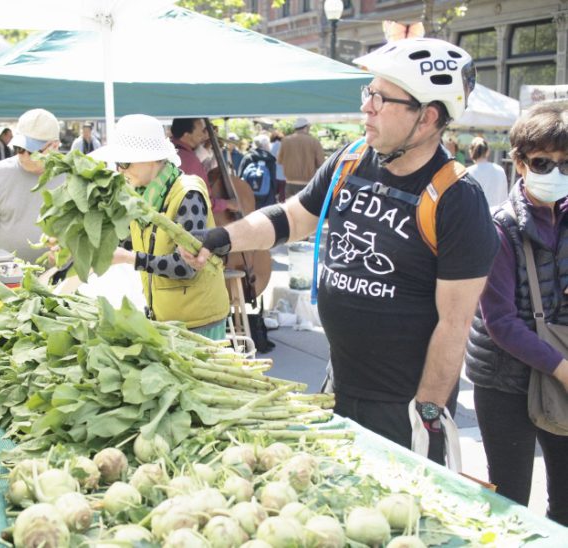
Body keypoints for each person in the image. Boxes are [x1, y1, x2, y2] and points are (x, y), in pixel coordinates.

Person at [183, 38, 499, 465]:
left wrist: (426, 413)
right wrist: (222, 239)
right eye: (368, 92)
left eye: (381, 98)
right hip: (340, 385)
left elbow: (455, 323)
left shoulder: (457, 198)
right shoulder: (351, 159)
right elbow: (292, 218)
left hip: (402, 406)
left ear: (425, 118)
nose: (366, 107)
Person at [465, 102, 568, 525]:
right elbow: (500, 320)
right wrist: (562, 368)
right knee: (508, 499)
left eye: (565, 163)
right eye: (543, 162)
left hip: (558, 371)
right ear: (520, 163)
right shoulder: (498, 226)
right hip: (505, 379)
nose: (555, 172)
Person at [101, 114, 230, 340]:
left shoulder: (187, 194)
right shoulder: (142, 195)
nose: (120, 170)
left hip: (198, 323)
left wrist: (130, 259)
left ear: (151, 159)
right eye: (117, 163)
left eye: (124, 163)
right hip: (166, 319)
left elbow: (188, 266)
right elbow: (128, 241)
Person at [0, 109, 64, 263]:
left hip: (63, 277)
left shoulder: (72, 177)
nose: (23, 155)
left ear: (55, 146)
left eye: (32, 151)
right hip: (9, 277)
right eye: (19, 148)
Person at [171, 118, 237, 214]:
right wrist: (228, 204)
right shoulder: (190, 160)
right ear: (186, 134)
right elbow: (203, 201)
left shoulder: (169, 149)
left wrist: (207, 145)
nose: (204, 135)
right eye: (202, 131)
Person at [277, 117, 325, 199]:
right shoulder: (314, 141)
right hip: (307, 184)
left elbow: (279, 161)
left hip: (290, 183)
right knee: (305, 210)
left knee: (290, 210)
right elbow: (321, 163)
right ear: (306, 128)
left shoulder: (285, 141)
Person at [466, 136, 508, 209]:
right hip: (497, 216)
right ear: (487, 151)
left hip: (475, 217)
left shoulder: (467, 173)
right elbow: (504, 199)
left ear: (471, 152)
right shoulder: (500, 170)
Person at [238, 133, 278, 209]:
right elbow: (274, 182)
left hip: (248, 198)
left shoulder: (248, 157)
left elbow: (240, 177)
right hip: (267, 200)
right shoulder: (271, 160)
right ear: (266, 145)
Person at [269, 130, 287, 203]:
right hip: (283, 175)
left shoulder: (270, 146)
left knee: (272, 194)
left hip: (272, 174)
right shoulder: (284, 146)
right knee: (282, 196)